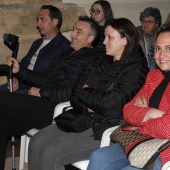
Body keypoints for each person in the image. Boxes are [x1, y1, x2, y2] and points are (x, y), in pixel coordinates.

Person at [28, 18, 149, 170]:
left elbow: (111, 104)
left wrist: (87, 93)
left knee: (50, 152)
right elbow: (74, 93)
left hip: (105, 129)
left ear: (125, 40)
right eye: (104, 36)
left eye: (109, 37)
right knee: (37, 141)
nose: (104, 42)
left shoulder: (136, 69)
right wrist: (89, 105)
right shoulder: (102, 61)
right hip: (81, 118)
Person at [0, 15, 100, 170]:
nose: (72, 34)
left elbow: (76, 91)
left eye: (78, 32)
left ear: (90, 38)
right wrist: (20, 71)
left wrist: (44, 92)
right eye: (73, 30)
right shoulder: (66, 53)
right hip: (43, 103)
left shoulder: (93, 59)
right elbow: (46, 78)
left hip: (58, 108)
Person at [87, 27, 170, 170]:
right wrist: (150, 113)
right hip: (140, 142)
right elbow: (127, 110)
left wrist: (142, 121)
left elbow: (168, 127)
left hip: (164, 152)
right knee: (98, 157)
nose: (161, 54)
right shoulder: (154, 76)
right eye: (157, 48)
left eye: (168, 48)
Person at [0, 5, 70, 94]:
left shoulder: (64, 47)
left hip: (35, 90)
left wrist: (19, 72)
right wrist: (14, 77)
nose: (38, 24)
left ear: (55, 22)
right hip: (20, 83)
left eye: (42, 19)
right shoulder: (37, 42)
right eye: (38, 20)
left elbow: (50, 80)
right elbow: (24, 64)